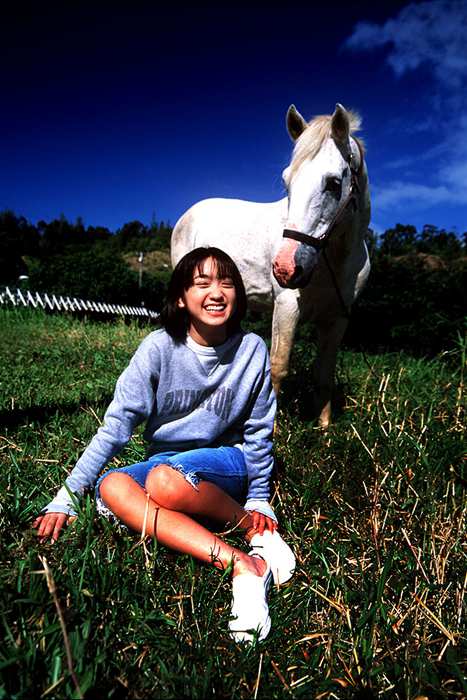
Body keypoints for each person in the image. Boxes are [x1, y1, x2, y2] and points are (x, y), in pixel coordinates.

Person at [33, 246, 295, 643]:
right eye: (201, 283)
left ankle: (250, 528)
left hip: (228, 460)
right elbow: (116, 427)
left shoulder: (251, 350)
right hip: (167, 464)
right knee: (112, 486)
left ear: (238, 295)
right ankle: (242, 564)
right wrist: (68, 496)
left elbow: (259, 430)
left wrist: (259, 498)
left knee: (164, 482)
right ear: (180, 297)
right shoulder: (158, 348)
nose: (216, 292)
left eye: (227, 283)